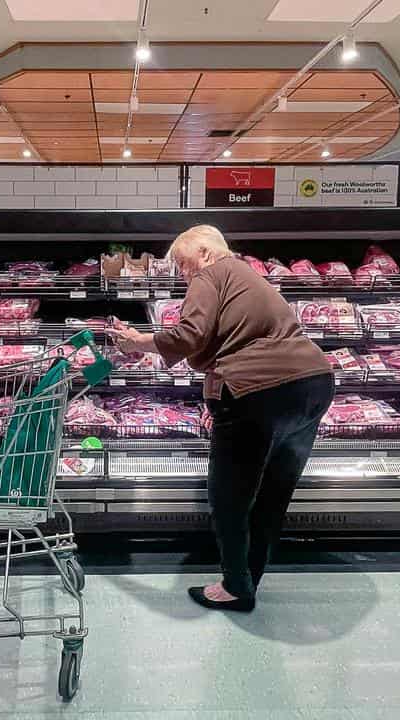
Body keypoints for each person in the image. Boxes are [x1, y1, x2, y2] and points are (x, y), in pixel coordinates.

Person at [112, 225, 333, 612]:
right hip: (313, 384)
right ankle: (248, 578)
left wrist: (137, 341)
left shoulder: (211, 273)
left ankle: (234, 586)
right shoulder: (249, 276)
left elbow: (190, 334)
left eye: (182, 264)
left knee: (229, 496)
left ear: (204, 252)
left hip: (257, 389)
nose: (183, 274)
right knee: (271, 494)